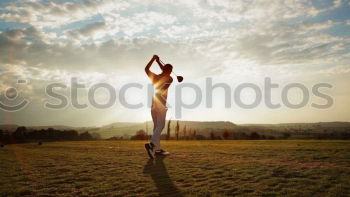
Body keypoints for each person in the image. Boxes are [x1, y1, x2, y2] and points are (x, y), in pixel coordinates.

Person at [144, 55, 173, 158]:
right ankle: (151, 145)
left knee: (156, 128)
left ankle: (158, 149)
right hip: (161, 103)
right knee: (160, 126)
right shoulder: (170, 78)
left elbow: (146, 69)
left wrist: (154, 60)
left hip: (153, 104)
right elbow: (165, 71)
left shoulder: (155, 77)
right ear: (170, 71)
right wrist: (158, 62)